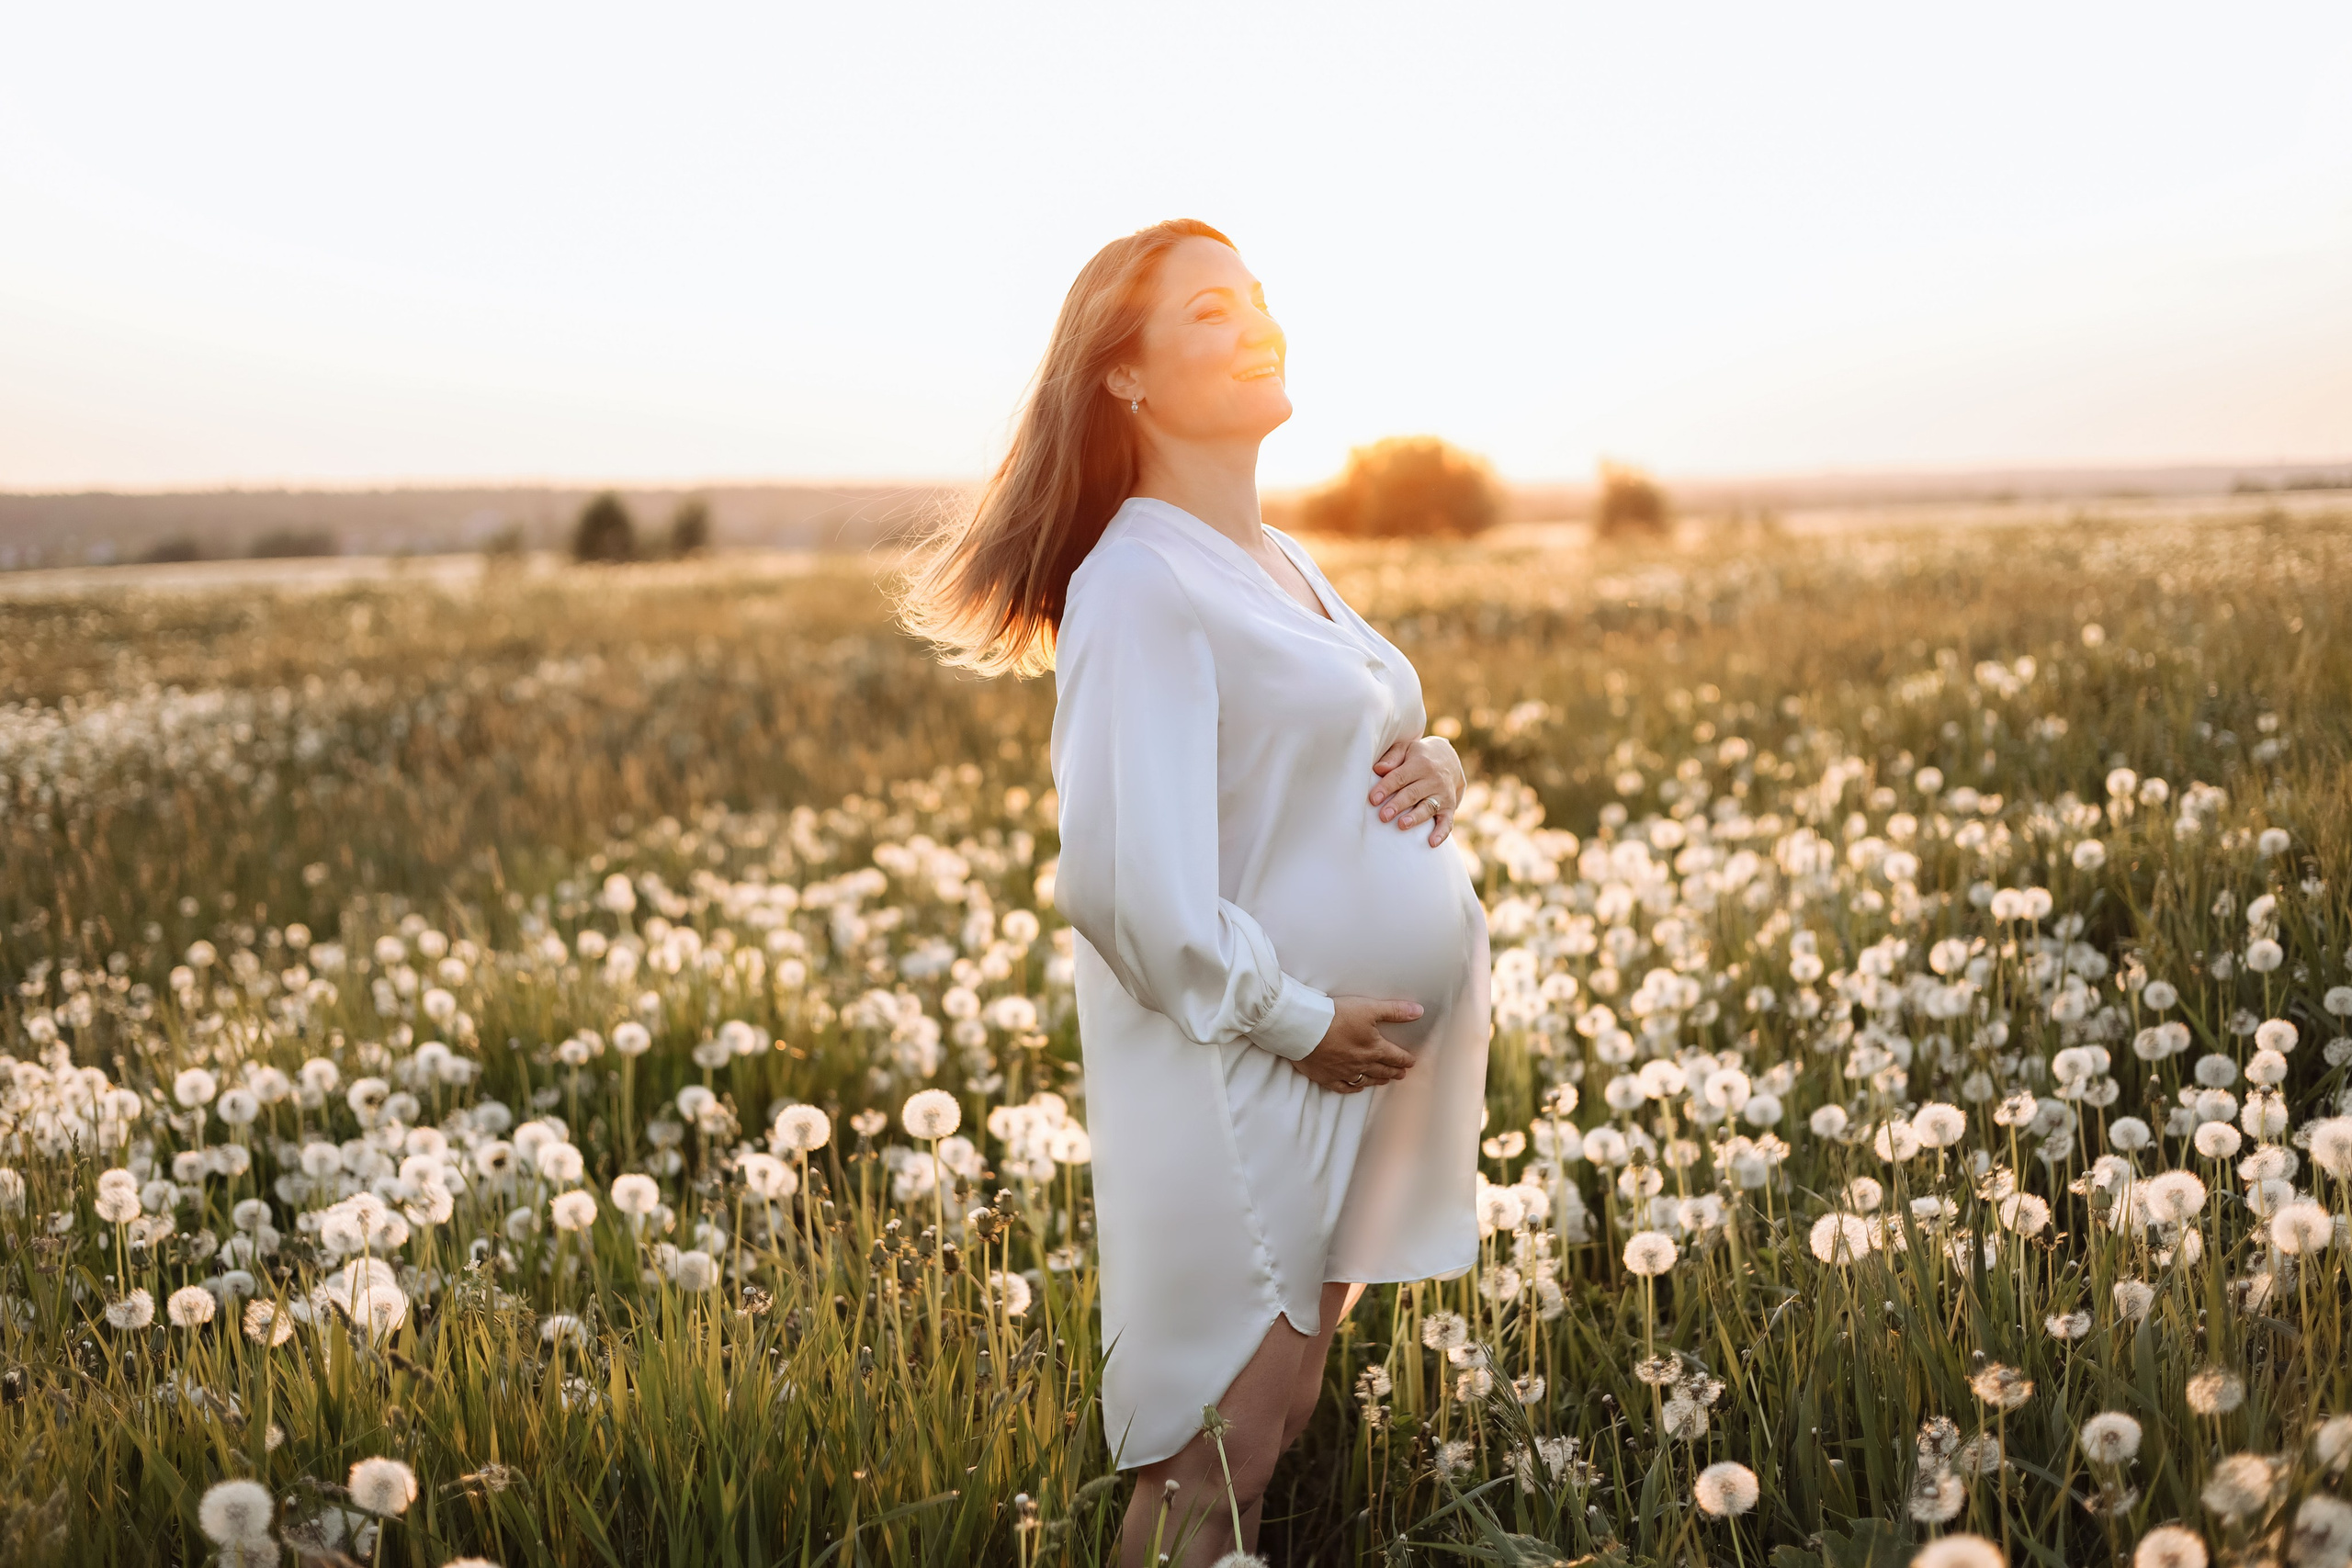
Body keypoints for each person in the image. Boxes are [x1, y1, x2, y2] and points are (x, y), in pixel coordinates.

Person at [892, 218, 1489, 1566]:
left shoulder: (1278, 557)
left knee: (1266, 1436)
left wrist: (1436, 754)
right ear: (1126, 378)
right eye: (1210, 312)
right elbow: (1120, 880)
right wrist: (1293, 1019)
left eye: (1259, 300)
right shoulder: (1140, 582)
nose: (1256, 324)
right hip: (1252, 1075)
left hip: (1335, 1071)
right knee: (1210, 1468)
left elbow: (1339, 736)